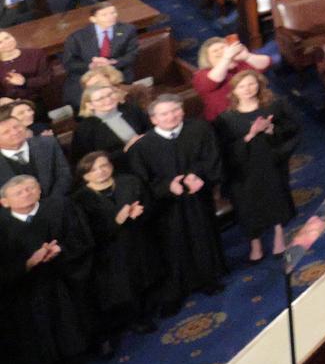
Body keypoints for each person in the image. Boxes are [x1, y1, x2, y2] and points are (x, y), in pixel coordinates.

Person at [0, 172, 93, 364]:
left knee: (66, 326)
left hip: (60, 283)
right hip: (23, 293)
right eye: (19, 192)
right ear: (4, 202)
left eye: (31, 188)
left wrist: (61, 250)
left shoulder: (58, 208)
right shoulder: (2, 227)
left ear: (40, 190)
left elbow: (82, 238)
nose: (27, 194)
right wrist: (29, 263)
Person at [128, 96, 227, 303]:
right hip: (168, 207)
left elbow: (212, 158)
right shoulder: (142, 147)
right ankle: (183, 284)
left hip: (198, 198)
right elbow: (143, 182)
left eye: (175, 110)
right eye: (164, 113)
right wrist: (167, 187)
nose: (171, 116)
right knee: (174, 243)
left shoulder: (200, 129)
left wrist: (198, 176)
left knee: (203, 235)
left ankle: (210, 278)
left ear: (182, 111)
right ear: (154, 119)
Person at [213, 70, 298, 262]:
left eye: (252, 84)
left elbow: (292, 130)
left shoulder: (274, 106)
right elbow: (222, 149)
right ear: (234, 90)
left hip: (270, 162)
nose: (248, 90)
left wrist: (271, 130)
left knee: (275, 196)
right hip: (242, 168)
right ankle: (255, 243)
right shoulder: (226, 118)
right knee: (247, 204)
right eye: (242, 86)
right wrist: (250, 135)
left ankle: (278, 236)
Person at [75, 149, 157, 340]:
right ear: (85, 175)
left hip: (138, 240)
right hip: (109, 252)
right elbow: (86, 232)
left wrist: (141, 213)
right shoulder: (80, 200)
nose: (101, 171)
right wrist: (116, 222)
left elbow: (151, 205)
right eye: (94, 169)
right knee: (124, 285)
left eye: (104, 165)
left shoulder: (129, 181)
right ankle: (134, 318)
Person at [71, 73, 149, 172]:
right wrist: (125, 150)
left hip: (148, 154)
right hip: (119, 169)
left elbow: (150, 128)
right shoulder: (85, 129)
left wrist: (145, 138)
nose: (108, 100)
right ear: (90, 105)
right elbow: (85, 161)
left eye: (110, 94)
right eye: (100, 99)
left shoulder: (131, 109)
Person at [191, 35, 271, 121]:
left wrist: (247, 56)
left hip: (255, 110)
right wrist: (226, 57)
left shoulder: (240, 64)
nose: (221, 52)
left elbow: (266, 63)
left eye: (223, 48)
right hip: (226, 119)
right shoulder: (202, 75)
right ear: (207, 59)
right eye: (215, 51)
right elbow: (213, 80)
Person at [0, 107, 70, 201]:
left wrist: (52, 202)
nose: (15, 132)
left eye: (17, 127)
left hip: (57, 203)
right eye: (6, 132)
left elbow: (63, 173)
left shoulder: (47, 143)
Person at [62, 0, 139, 79]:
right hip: (88, 76)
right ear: (93, 19)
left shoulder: (128, 30)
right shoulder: (77, 37)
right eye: (104, 15)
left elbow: (132, 54)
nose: (110, 17)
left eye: (113, 13)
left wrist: (112, 63)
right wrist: (90, 66)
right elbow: (69, 63)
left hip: (118, 73)